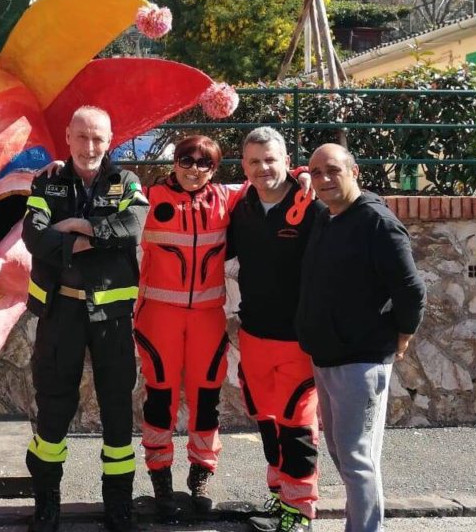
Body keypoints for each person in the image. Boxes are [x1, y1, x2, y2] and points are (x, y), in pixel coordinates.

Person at [21, 106, 148, 532]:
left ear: (109, 139)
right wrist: (95, 236)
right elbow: (34, 237)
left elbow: (133, 225)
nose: (90, 146)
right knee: (54, 408)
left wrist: (78, 227)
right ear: (69, 137)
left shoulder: (126, 181)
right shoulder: (47, 180)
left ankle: (118, 507)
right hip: (61, 313)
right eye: (82, 137)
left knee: (116, 409)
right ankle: (47, 502)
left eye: (98, 138)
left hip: (111, 317)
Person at [298, 143, 426, 532]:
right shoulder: (327, 216)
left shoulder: (377, 223)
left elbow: (411, 291)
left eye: (332, 170)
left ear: (354, 171)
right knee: (341, 450)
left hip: (362, 359)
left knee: (357, 457)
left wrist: (402, 336)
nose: (323, 179)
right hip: (327, 355)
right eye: (316, 172)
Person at [133, 135, 247, 521]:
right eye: (186, 160)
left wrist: (299, 175)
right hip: (158, 318)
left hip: (206, 319)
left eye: (205, 164)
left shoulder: (225, 197)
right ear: (174, 161)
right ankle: (160, 477)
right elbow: (100, 185)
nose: (194, 169)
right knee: (160, 400)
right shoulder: (146, 197)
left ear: (214, 169)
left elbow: (270, 176)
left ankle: (201, 475)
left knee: (206, 401)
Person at [227, 127, 324, 532]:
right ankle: (280, 496)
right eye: (254, 161)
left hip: (298, 339)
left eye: (271, 159)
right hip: (253, 335)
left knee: (297, 424)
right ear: (244, 167)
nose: (263, 168)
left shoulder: (311, 204)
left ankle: (300, 512)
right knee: (266, 418)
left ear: (287, 161)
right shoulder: (242, 206)